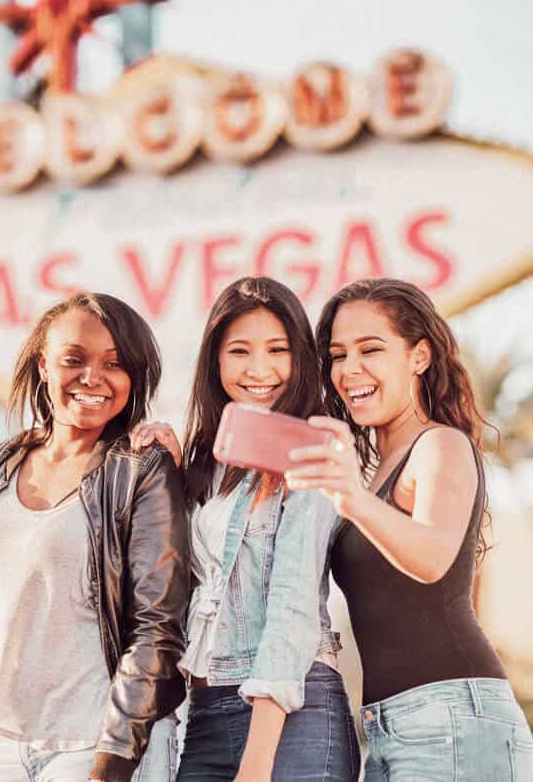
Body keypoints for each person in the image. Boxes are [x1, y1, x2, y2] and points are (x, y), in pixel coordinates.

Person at [0, 292, 190, 782]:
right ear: (42, 365)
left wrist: (110, 766)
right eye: (74, 359)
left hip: (94, 747)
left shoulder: (140, 468)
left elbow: (157, 626)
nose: (93, 377)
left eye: (115, 364)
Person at [286, 278, 533, 781]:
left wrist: (352, 499)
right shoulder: (377, 468)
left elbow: (432, 557)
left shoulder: (439, 446)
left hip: (450, 716)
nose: (349, 369)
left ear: (419, 356)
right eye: (337, 354)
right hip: (388, 725)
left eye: (371, 349)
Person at [133, 276, 359, 782]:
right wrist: (171, 475)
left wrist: (257, 761)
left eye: (277, 350)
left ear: (301, 357)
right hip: (206, 712)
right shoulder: (204, 469)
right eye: (240, 351)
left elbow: (293, 604)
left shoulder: (312, 450)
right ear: (215, 362)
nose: (260, 370)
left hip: (291, 715)